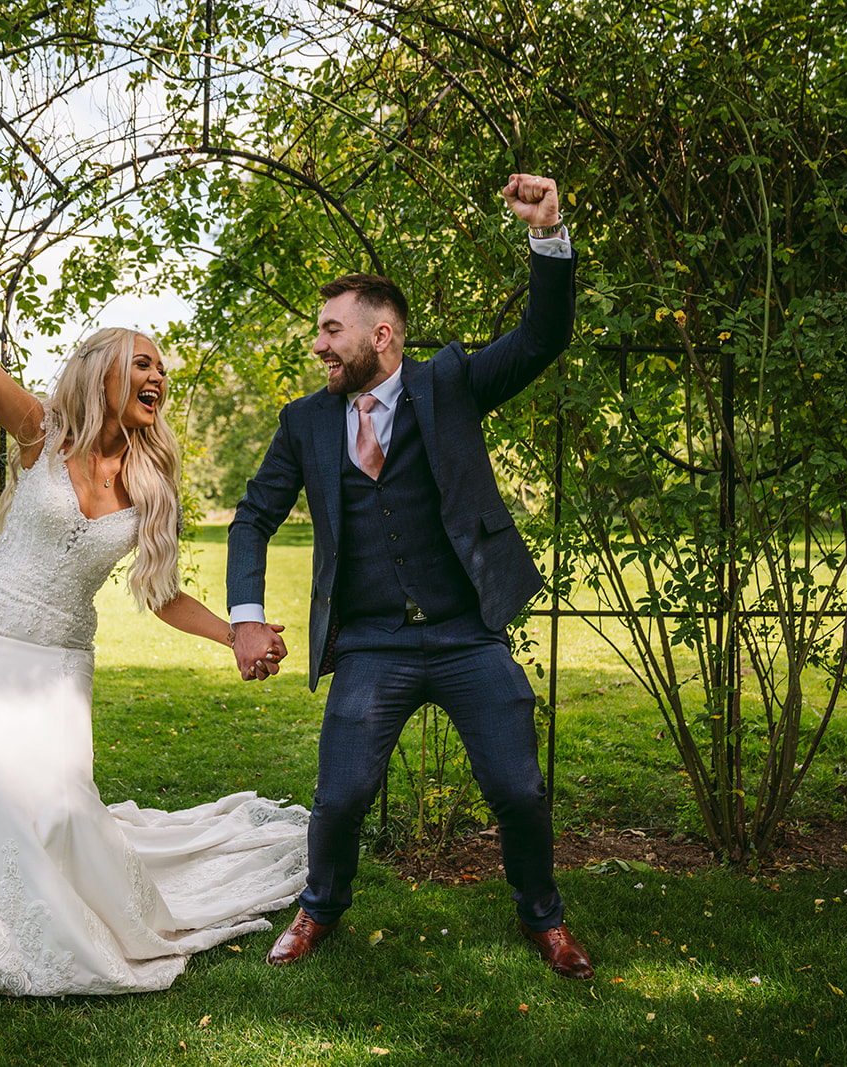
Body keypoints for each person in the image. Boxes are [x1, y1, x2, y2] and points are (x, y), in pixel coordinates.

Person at [0, 177, 304, 1000]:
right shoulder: (40, 431)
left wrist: (235, 634)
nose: (157, 375)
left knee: (67, 810)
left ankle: (40, 923)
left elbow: (160, 593)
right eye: (142, 361)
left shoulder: (152, 485)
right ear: (105, 369)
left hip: (59, 659)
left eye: (161, 369)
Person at [225, 173, 593, 980]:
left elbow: (541, 337)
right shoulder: (304, 422)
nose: (318, 344)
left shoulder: (449, 382)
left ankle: (545, 917)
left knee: (520, 789)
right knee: (343, 796)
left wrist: (547, 235)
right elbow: (253, 515)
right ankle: (320, 907)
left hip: (467, 635)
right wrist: (245, 615)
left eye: (331, 329)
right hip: (370, 643)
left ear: (383, 336)